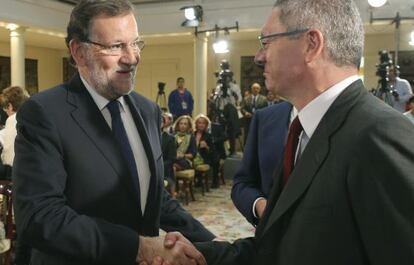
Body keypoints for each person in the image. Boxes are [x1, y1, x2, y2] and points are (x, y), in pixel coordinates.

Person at [160, 0, 414, 264]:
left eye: (267, 41)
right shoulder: (302, 131)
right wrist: (198, 255)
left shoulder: (380, 134)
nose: (259, 56)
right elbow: (275, 247)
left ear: (311, 44)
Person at [12, 1, 207, 265]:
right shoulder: (44, 113)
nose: (132, 57)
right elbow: (39, 217)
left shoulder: (147, 110)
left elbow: (151, 196)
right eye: (116, 46)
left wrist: (210, 242)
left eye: (135, 43)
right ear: (79, 52)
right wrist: (138, 247)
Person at [231, 101, 293, 225]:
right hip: (271, 235)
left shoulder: (341, 117)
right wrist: (260, 205)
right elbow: (243, 182)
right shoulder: (264, 116)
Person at [0, 86, 29, 178]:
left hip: (17, 174)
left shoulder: (12, 119)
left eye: (5, 108)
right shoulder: (33, 116)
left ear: (10, 106)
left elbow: (8, 158)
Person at [193, 114, 220, 189]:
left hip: (206, 155)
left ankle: (215, 180)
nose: (201, 125)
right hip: (194, 155)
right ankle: (198, 179)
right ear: (196, 124)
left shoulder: (208, 136)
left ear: (206, 125)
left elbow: (213, 150)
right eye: (199, 123)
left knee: (215, 160)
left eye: (203, 123)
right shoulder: (192, 134)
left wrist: (206, 146)